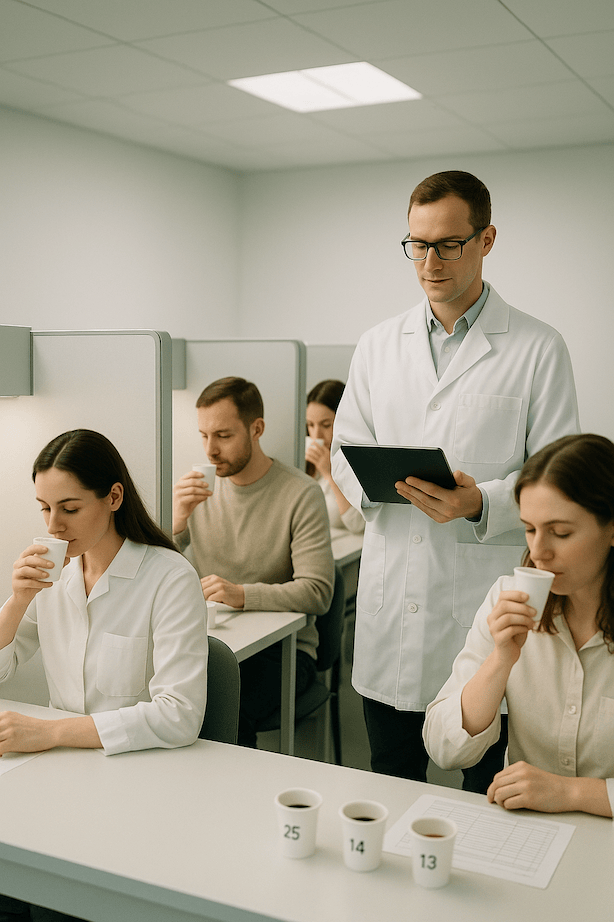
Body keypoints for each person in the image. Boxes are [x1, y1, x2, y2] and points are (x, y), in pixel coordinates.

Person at [331, 169, 579, 790]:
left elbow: (555, 480)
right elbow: (344, 448)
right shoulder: (377, 345)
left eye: (448, 244)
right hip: (392, 608)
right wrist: (376, 482)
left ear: (487, 239)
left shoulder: (538, 348)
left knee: (490, 790)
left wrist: (481, 502)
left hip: (481, 606)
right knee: (387, 785)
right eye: (417, 244)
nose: (429, 261)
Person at [0, 429, 208, 921]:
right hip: (59, 779)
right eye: (44, 508)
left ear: (113, 497)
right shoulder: (54, 576)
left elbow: (179, 716)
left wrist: (50, 732)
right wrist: (18, 602)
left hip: (135, 786)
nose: (54, 525)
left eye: (69, 509)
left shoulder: (169, 577)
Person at [424, 434, 614, 817]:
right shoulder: (507, 598)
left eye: (561, 532)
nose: (539, 552)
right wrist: (500, 659)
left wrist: (574, 794)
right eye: (529, 528)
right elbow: (444, 749)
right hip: (529, 832)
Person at [173, 376, 334, 748]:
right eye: (204, 436)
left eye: (224, 436)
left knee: (224, 706)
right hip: (216, 640)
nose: (210, 450)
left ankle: (234, 799)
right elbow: (155, 569)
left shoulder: (300, 494)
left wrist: (241, 594)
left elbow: (318, 592)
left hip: (285, 650)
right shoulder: (199, 490)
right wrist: (178, 520)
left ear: (256, 429)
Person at [306, 379, 364, 534]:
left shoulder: (357, 460)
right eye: (310, 425)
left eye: (326, 425)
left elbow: (357, 524)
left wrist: (330, 474)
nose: (316, 435)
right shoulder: (305, 456)